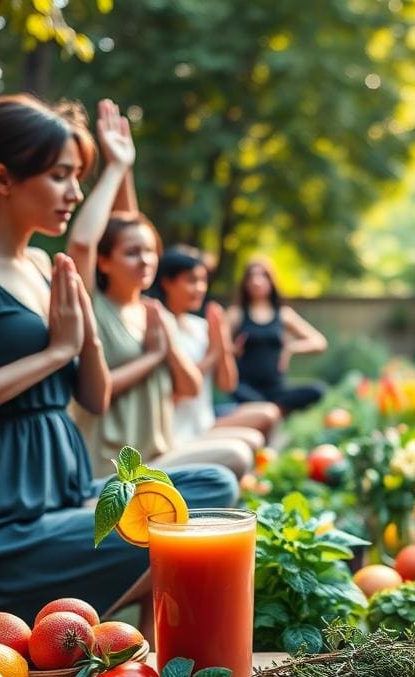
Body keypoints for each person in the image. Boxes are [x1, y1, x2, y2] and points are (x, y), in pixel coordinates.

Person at [0, 95, 236, 636]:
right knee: (174, 524)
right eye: (61, 176)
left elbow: (96, 396)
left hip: (61, 494)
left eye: (79, 176)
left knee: (211, 487)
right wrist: (54, 352)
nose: (75, 193)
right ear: (2, 179)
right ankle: (111, 649)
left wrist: (84, 341)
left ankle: (111, 643)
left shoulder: (42, 266)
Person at [68, 102, 253, 478]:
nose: (146, 260)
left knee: (242, 447)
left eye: (151, 252)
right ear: (104, 262)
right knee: (233, 458)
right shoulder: (93, 306)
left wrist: (172, 347)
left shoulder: (153, 313)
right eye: (132, 254)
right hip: (110, 470)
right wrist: (116, 167)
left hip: (159, 457)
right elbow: (85, 243)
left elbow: (188, 387)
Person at [154, 245, 280, 447]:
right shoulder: (159, 324)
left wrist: (221, 340)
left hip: (205, 423)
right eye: (191, 281)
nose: (200, 288)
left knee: (268, 413)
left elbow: (227, 384)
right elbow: (178, 392)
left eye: (203, 280)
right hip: (177, 433)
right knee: (249, 443)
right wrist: (212, 354)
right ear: (167, 282)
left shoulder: (200, 326)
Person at [227, 259, 327, 413]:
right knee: (239, 391)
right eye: (251, 276)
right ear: (245, 282)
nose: (257, 281)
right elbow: (217, 347)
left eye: (263, 276)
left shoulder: (283, 314)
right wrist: (233, 350)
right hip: (246, 388)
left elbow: (319, 342)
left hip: (276, 389)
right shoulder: (236, 314)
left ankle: (270, 411)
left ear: (271, 281)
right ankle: (271, 411)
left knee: (317, 390)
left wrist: (291, 348)